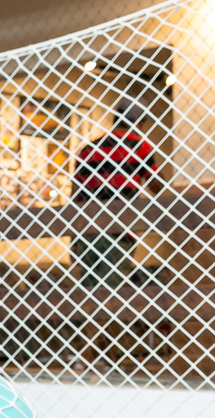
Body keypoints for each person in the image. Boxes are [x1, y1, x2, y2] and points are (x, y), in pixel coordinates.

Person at [71, 97, 157, 288]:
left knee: (89, 287)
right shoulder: (140, 147)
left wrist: (74, 236)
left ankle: (90, 318)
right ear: (137, 122)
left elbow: (75, 195)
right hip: (120, 229)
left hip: (89, 229)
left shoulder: (88, 149)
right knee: (113, 291)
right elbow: (157, 185)